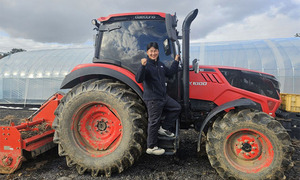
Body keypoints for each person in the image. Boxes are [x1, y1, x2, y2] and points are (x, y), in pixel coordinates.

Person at [135, 42, 181, 155]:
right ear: (147, 52)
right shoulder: (146, 66)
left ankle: (164, 128)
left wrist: (176, 61)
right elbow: (139, 79)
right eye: (151, 51)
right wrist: (142, 66)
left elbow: (170, 72)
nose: (153, 53)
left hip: (163, 97)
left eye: (155, 51)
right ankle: (151, 147)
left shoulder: (160, 65)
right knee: (154, 121)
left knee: (176, 108)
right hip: (153, 98)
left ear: (158, 52)